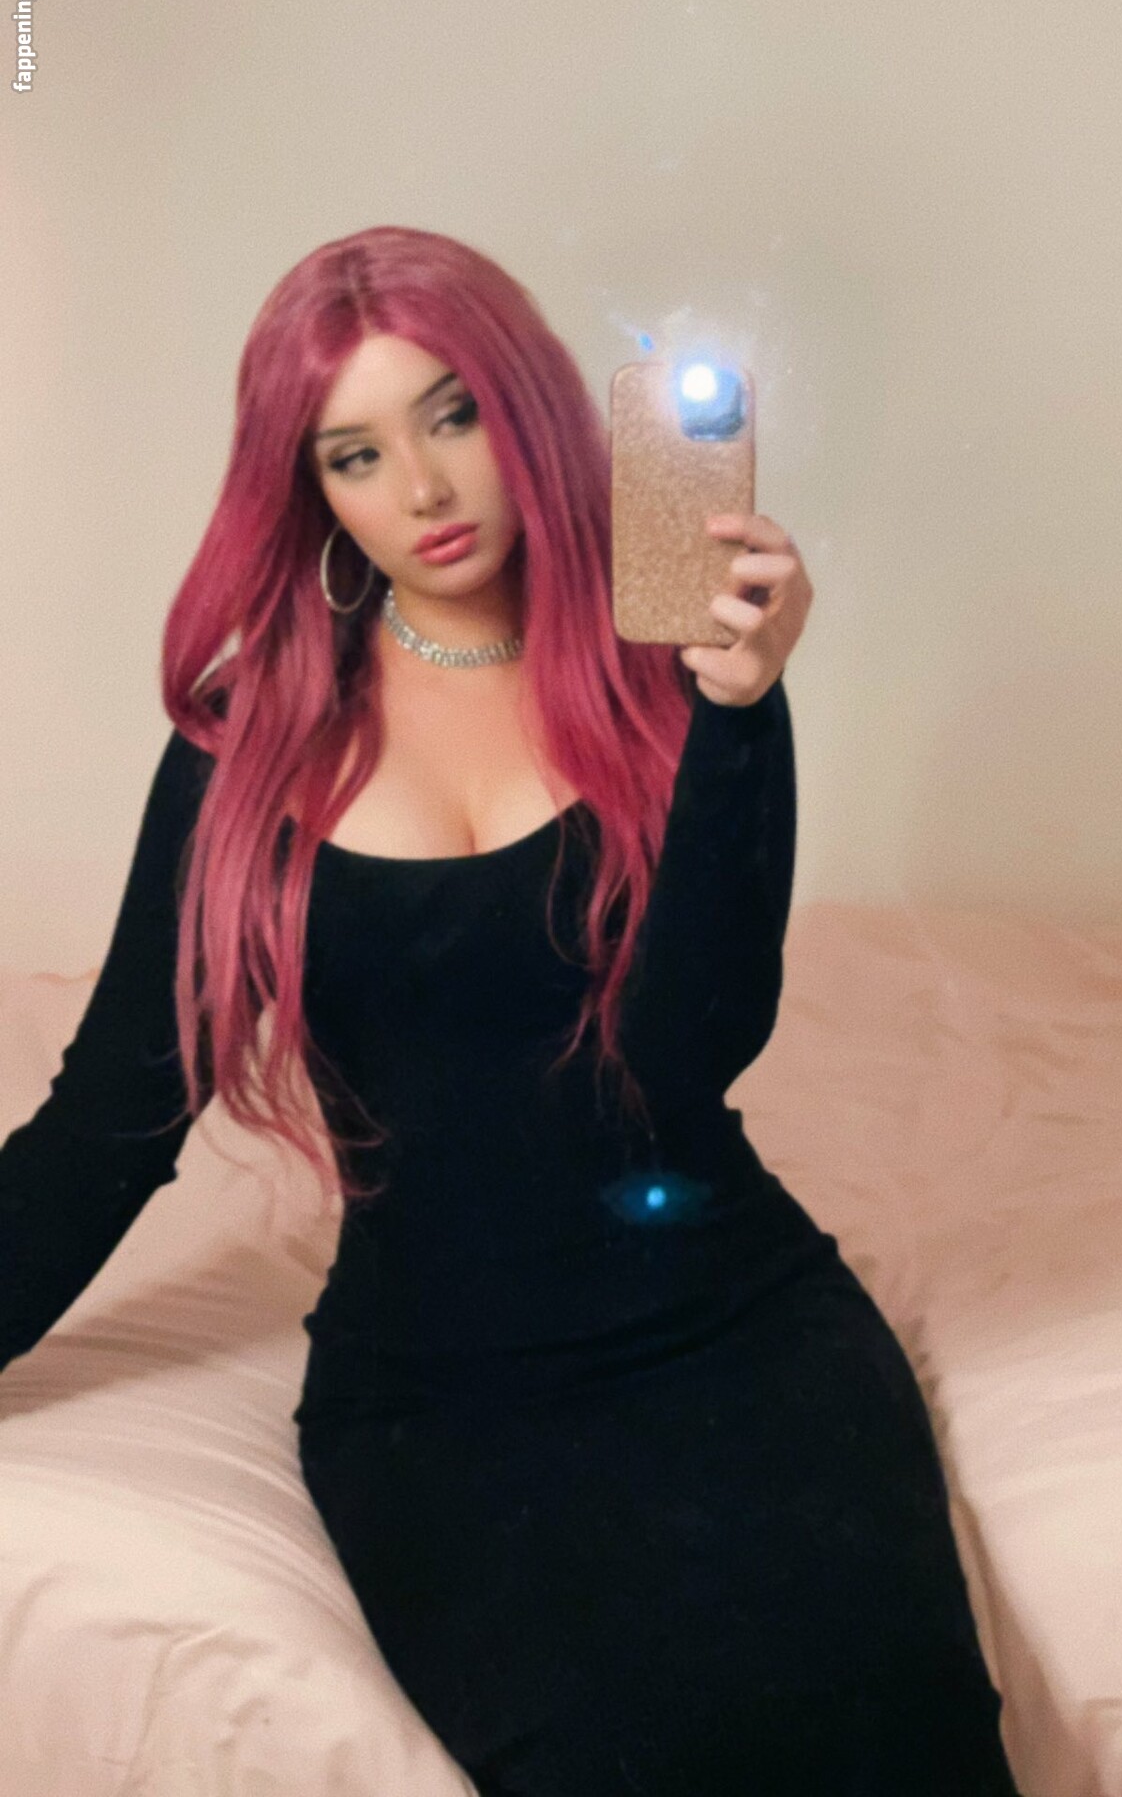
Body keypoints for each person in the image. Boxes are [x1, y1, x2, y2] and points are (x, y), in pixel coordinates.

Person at [0, 225, 1020, 1795]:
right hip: (444, 1402)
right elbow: (108, 1123)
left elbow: (686, 1058)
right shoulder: (249, 748)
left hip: (737, 1333)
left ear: (527, 405)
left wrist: (741, 717)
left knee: (911, 1746)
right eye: (356, 453)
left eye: (453, 413)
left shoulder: (672, 666)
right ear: (310, 490)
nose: (423, 487)